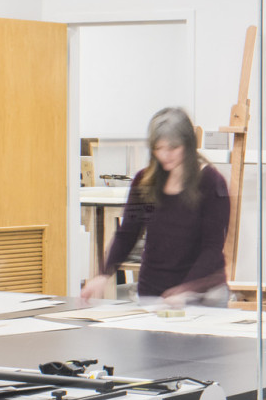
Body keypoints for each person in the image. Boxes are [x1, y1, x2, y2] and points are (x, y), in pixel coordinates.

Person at [81, 107, 231, 306]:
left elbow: (211, 248)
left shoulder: (211, 183)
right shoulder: (145, 182)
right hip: (154, 292)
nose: (165, 155)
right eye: (158, 149)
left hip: (202, 294)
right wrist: (104, 274)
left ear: (188, 144)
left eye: (172, 148)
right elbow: (127, 234)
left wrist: (186, 290)